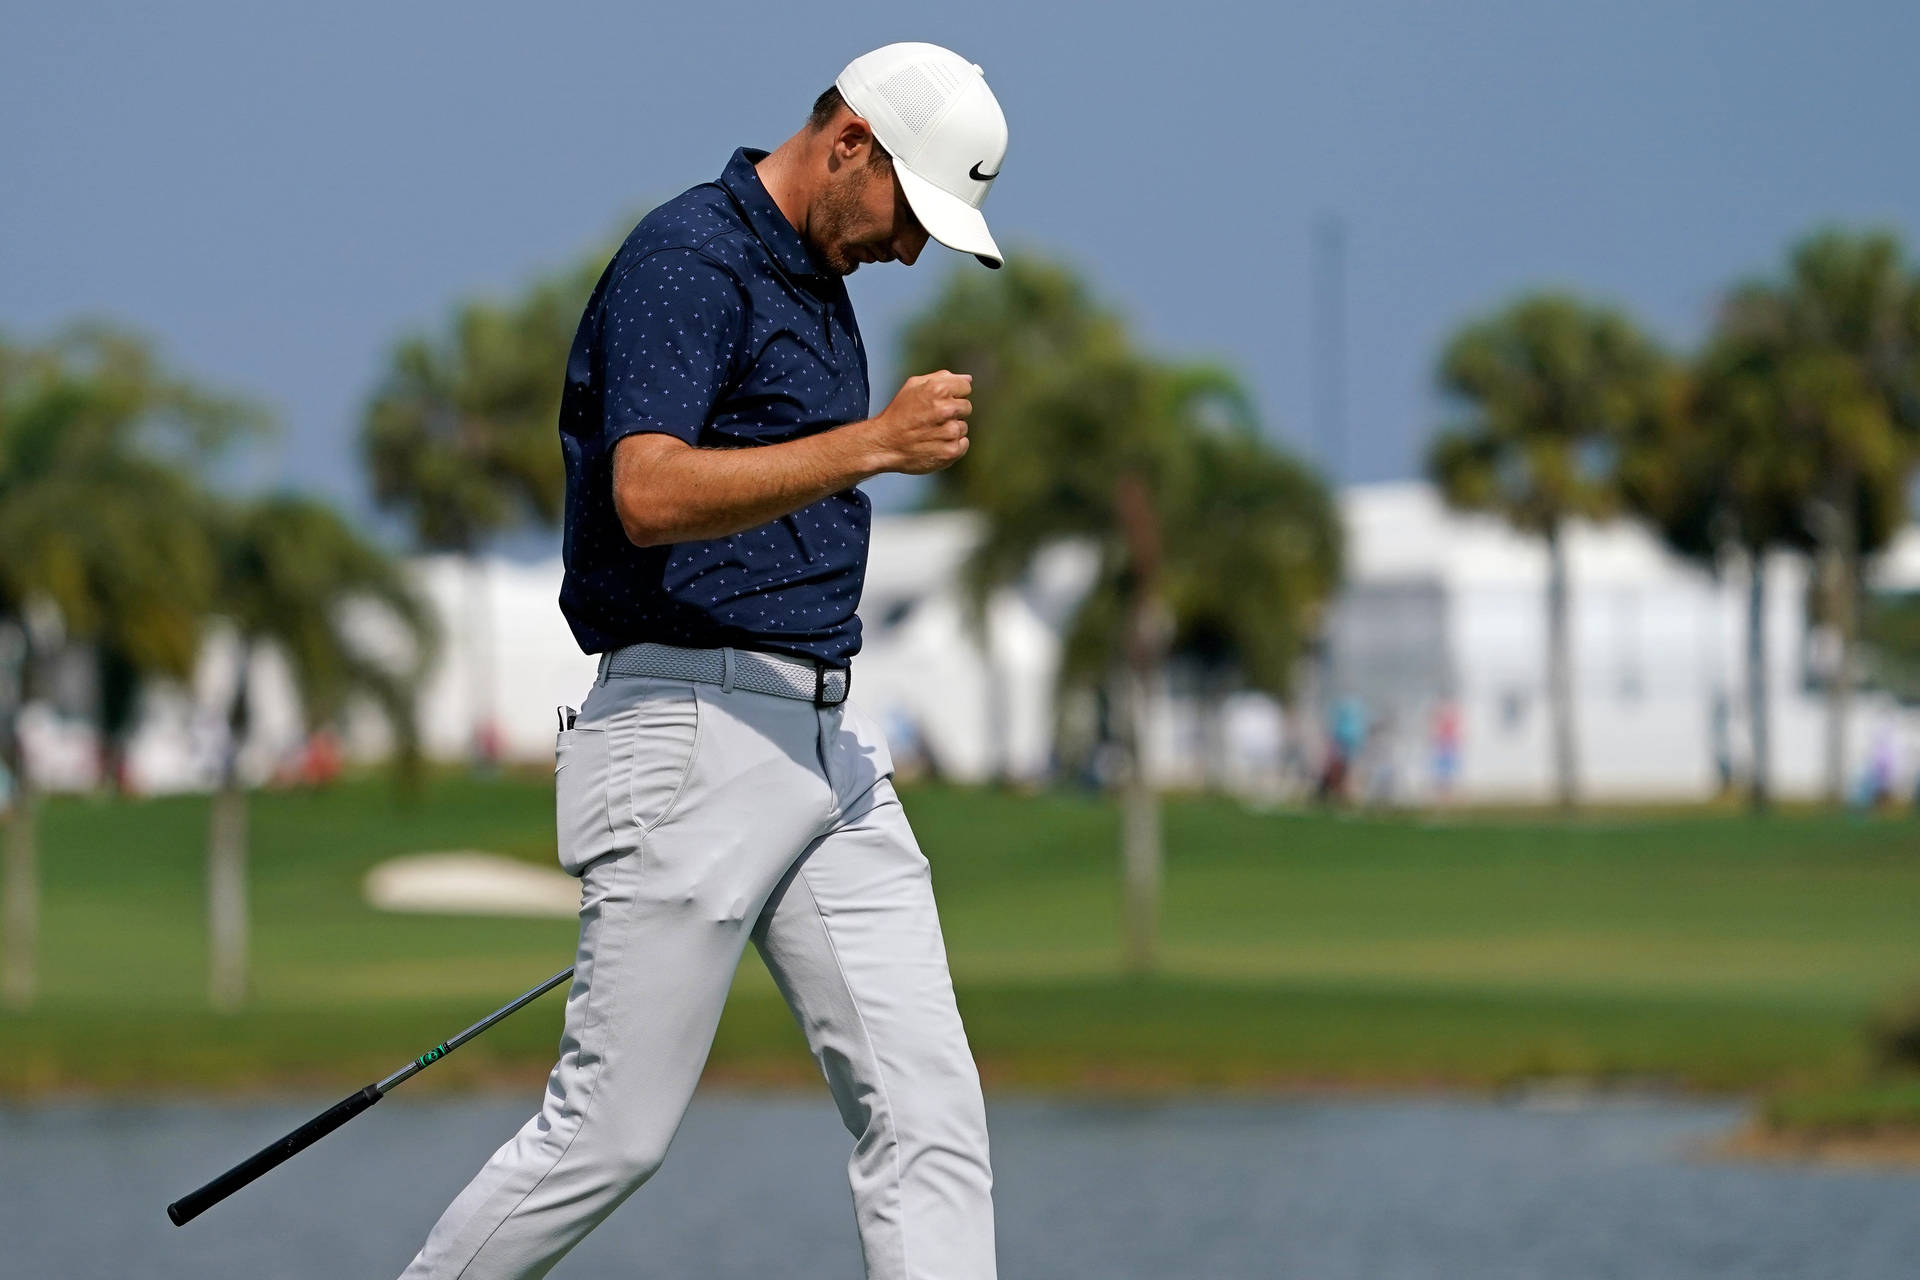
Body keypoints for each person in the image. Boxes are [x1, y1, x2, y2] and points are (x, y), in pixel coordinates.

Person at [397, 42, 1009, 1280]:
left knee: (928, 1109)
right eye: (910, 213)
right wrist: (875, 443)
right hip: (689, 732)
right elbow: (647, 489)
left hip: (823, 746)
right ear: (850, 142)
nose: (910, 252)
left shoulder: (811, 279)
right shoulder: (691, 260)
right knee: (609, 1136)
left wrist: (863, 442)